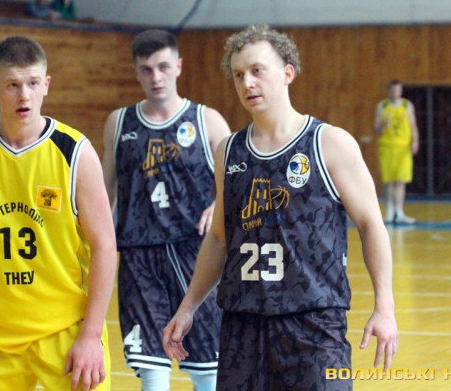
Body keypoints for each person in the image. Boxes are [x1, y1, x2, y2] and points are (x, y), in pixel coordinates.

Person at [162, 24, 398, 390]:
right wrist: (188, 307)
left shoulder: (329, 143)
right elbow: (219, 239)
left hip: (313, 323)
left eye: (257, 70)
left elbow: (371, 225)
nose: (247, 83)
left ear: (288, 73)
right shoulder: (229, 151)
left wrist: (385, 307)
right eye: (238, 75)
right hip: (243, 325)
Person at [0, 35, 117, 390]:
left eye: (33, 83)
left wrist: (91, 335)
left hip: (66, 330)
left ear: (46, 85)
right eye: (13, 85)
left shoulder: (75, 152)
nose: (24, 96)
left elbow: (105, 246)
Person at [102, 29, 230, 390]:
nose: (155, 77)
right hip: (139, 256)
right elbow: (104, 191)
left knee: (206, 364)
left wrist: (217, 203)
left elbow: (239, 179)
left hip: (195, 253)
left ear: (178, 66)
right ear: (136, 72)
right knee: (151, 365)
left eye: (162, 67)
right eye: (146, 69)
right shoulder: (119, 123)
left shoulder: (207, 120)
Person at [374, 79, 419, 224]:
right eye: (393, 90)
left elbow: (413, 125)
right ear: (388, 91)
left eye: (398, 90)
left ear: (401, 91)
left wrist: (415, 141)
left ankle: (399, 212)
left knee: (401, 181)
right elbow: (376, 129)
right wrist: (382, 125)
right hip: (387, 147)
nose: (395, 93)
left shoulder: (407, 105)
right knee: (388, 181)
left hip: (403, 148)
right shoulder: (382, 106)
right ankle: (389, 211)